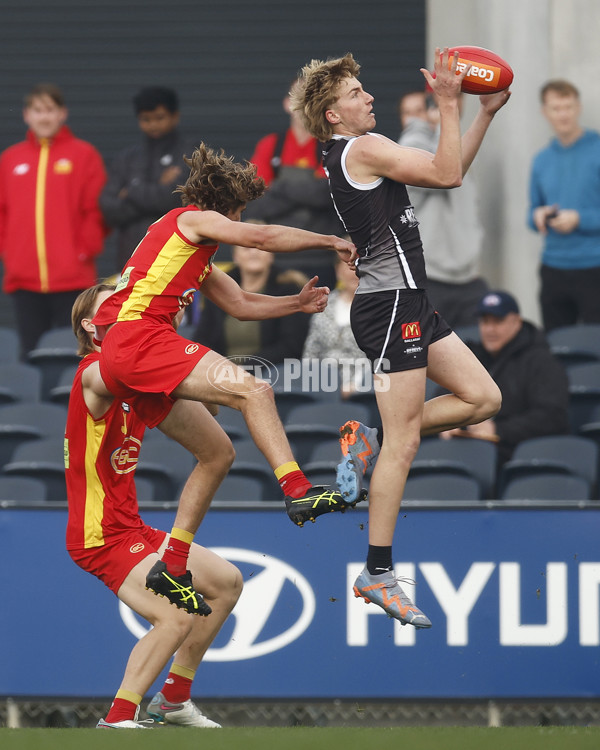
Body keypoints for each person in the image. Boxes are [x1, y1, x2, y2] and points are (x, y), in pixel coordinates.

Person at [291, 48, 510, 628]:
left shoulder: (364, 150)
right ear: (334, 116)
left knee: (484, 399)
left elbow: (447, 169)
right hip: (388, 309)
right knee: (407, 443)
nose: (368, 97)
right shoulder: (363, 149)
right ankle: (377, 572)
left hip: (409, 303)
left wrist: (481, 113)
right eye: (356, 93)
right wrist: (445, 101)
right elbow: (448, 174)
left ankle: (366, 436)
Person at [92, 143, 358, 613]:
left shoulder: (191, 247)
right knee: (254, 390)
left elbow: (238, 304)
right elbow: (261, 238)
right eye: (240, 213)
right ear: (227, 207)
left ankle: (172, 566)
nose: (242, 223)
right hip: (140, 340)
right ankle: (297, 490)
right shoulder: (190, 219)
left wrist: (294, 305)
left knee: (216, 454)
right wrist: (329, 241)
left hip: (126, 354)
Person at [66, 283, 242, 729]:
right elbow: (123, 373)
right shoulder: (93, 372)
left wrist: (169, 342)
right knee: (175, 616)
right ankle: (119, 715)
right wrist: (160, 339)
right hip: (98, 534)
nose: (126, 307)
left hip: (131, 527)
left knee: (226, 582)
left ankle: (173, 699)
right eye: (113, 304)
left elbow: (214, 411)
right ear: (91, 325)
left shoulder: (138, 377)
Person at [0, 83, 107, 359]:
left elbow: (96, 211)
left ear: (62, 113)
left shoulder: (84, 156)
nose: (44, 117)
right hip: (24, 279)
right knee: (32, 354)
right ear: (26, 115)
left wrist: (82, 252)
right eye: (38, 110)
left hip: (72, 279)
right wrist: (10, 254)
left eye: (50, 110)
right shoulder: (11, 159)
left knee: (74, 356)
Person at [440, 290, 570, 467]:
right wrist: (446, 422)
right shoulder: (471, 358)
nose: (490, 329)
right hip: (464, 449)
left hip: (517, 454)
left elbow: (552, 416)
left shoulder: (541, 361)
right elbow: (442, 394)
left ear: (516, 322)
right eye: (485, 322)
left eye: (498, 321)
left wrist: (498, 430)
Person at [398, 90, 488, 328]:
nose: (454, 105)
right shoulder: (411, 146)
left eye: (459, 98)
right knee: (430, 356)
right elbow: (444, 174)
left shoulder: (457, 142)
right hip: (431, 277)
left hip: (469, 276)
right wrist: (444, 126)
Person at [244, 78, 345, 289]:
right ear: (287, 104)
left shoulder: (332, 146)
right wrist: (308, 195)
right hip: (276, 260)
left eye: (312, 99)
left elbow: (326, 196)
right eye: (299, 98)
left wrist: (278, 188)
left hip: (321, 261)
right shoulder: (270, 146)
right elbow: (254, 202)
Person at [100, 86, 198, 271]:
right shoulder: (127, 157)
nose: (153, 124)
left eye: (159, 118)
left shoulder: (188, 153)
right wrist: (158, 189)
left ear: (174, 116)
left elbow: (175, 199)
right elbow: (109, 208)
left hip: (175, 259)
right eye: (146, 119)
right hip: (130, 261)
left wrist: (130, 192)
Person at [528, 80, 600, 331]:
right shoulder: (541, 160)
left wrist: (579, 219)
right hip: (553, 268)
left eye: (568, 107)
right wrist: (538, 216)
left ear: (578, 108)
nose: (563, 114)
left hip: (594, 265)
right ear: (544, 112)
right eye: (556, 108)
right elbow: (531, 214)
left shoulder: (597, 149)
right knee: (557, 347)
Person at [194, 221, 311, 363]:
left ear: (271, 255)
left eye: (260, 247)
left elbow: (292, 346)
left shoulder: (289, 288)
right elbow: (202, 340)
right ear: (235, 256)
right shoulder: (217, 288)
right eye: (247, 248)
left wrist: (247, 367)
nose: (254, 253)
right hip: (221, 374)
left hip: (272, 372)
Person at [302, 254, 367, 397]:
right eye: (350, 266)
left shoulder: (382, 311)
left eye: (362, 265)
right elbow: (311, 352)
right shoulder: (322, 305)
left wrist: (357, 386)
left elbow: (381, 360)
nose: (356, 272)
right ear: (338, 270)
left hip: (365, 392)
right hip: (322, 389)